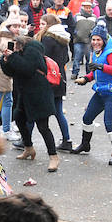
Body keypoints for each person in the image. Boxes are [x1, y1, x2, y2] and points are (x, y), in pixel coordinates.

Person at [0, 37, 59, 172]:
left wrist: (13, 56)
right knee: (19, 119)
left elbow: (27, 68)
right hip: (25, 94)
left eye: (15, 45)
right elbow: (11, 72)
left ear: (20, 43)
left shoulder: (33, 49)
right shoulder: (18, 53)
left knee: (43, 126)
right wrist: (5, 61)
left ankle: (53, 156)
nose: (13, 47)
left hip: (39, 94)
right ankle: (28, 148)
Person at [71, 23, 112, 165]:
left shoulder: (111, 52)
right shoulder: (95, 52)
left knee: (109, 123)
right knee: (87, 117)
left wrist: (101, 66)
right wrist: (86, 78)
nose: (95, 42)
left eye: (98, 40)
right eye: (93, 39)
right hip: (101, 91)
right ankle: (85, 144)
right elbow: (96, 72)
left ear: (104, 40)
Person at [37, 14, 72, 151]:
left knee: (35, 110)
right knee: (58, 112)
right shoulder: (62, 38)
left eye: (42, 24)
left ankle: (25, 140)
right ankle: (67, 139)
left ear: (49, 25)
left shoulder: (47, 39)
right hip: (60, 78)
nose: (40, 26)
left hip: (48, 80)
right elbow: (67, 59)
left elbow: (42, 60)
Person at [71, 0, 97, 79]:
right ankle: (75, 72)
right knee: (77, 57)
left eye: (89, 7)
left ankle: (88, 74)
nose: (88, 9)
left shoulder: (94, 18)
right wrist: (75, 34)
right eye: (86, 7)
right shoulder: (77, 16)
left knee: (89, 58)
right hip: (78, 40)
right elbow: (72, 26)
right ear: (82, 8)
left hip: (89, 41)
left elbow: (96, 28)